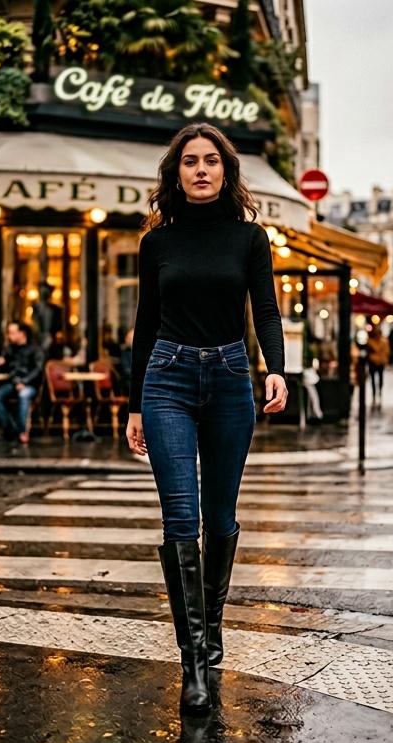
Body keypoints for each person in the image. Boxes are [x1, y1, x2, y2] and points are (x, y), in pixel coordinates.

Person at [124, 123, 288, 713]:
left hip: (227, 377)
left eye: (210, 161)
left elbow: (265, 307)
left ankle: (211, 628)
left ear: (225, 171)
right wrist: (136, 402)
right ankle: (193, 658)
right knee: (180, 517)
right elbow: (145, 327)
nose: (200, 169)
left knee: (220, 517)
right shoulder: (156, 244)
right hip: (166, 377)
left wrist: (275, 368)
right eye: (190, 161)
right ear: (176, 173)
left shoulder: (249, 238)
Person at [0, 322, 43, 444]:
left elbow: (38, 370)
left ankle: (22, 432)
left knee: (23, 395)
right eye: (8, 333)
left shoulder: (35, 349)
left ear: (22, 334)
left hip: (30, 384)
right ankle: (10, 429)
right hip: (13, 383)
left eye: (12, 333)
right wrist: (0, 364)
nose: (9, 336)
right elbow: (9, 370)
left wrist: (24, 381)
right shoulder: (10, 349)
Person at [366, 326, 389, 407]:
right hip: (373, 362)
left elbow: (386, 352)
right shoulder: (370, 342)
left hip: (380, 362)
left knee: (380, 378)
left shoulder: (384, 342)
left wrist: (383, 359)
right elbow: (368, 353)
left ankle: (379, 392)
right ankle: (374, 393)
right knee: (372, 379)